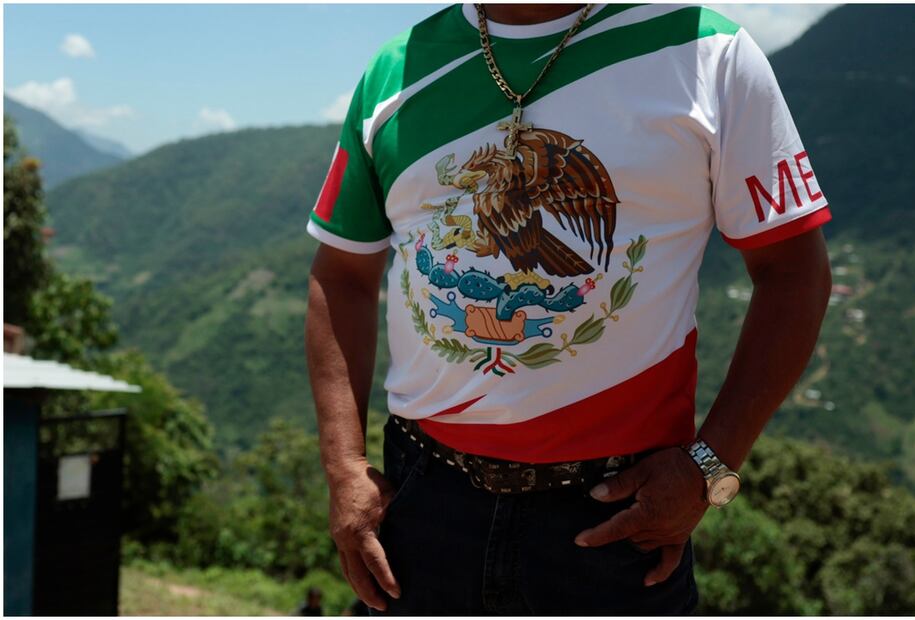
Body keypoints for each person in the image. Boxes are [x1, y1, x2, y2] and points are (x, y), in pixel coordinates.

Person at [305, 3, 832, 615]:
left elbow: (794, 273)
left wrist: (709, 469)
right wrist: (345, 467)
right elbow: (341, 274)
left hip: (618, 519)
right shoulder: (393, 74)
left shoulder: (709, 54)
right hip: (421, 507)